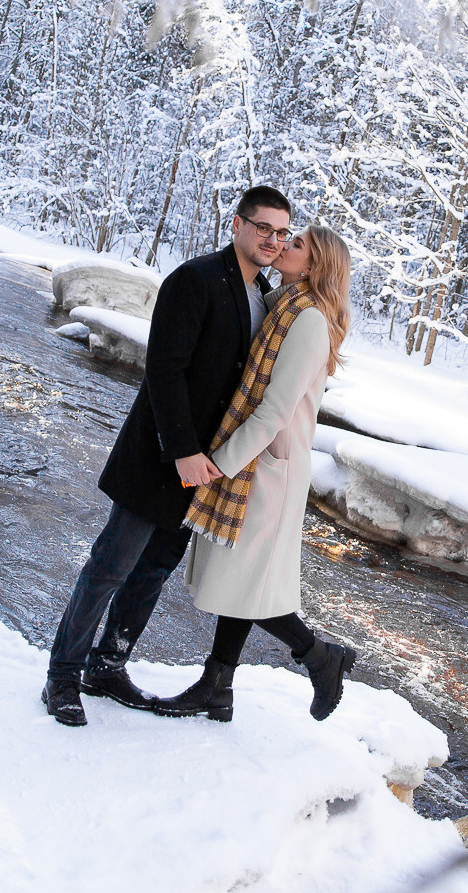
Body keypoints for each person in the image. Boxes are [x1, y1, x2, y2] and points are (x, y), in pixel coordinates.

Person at [41, 185, 294, 726]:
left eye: (282, 232)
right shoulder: (197, 279)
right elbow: (164, 369)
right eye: (263, 228)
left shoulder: (262, 293)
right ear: (238, 225)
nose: (273, 240)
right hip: (160, 457)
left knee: (154, 570)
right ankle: (62, 675)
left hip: (204, 467)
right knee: (111, 565)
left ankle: (107, 666)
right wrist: (181, 450)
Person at [155, 224, 358, 724]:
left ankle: (319, 656)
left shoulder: (307, 321)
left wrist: (216, 465)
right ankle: (217, 687)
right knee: (241, 579)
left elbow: (273, 412)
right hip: (255, 461)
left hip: (269, 468)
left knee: (249, 583)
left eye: (296, 245)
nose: (283, 247)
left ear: (312, 266)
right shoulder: (278, 306)